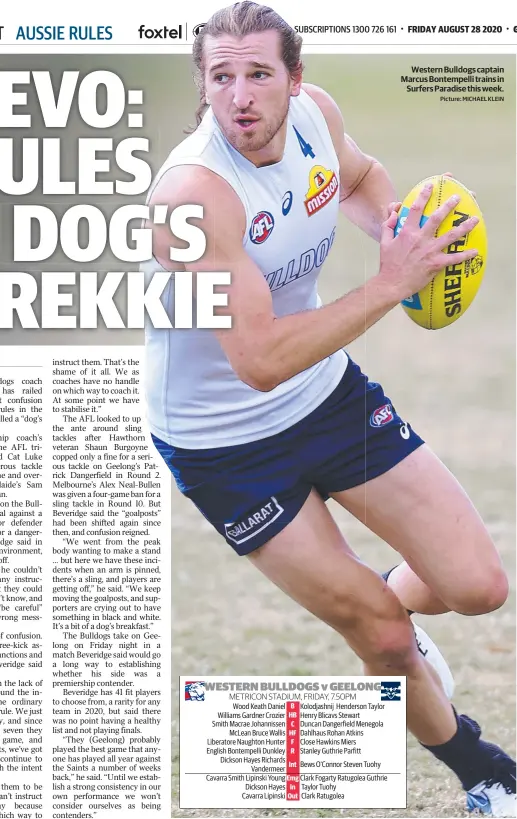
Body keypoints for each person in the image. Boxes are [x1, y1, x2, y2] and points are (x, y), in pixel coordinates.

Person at [142, 3, 515, 815]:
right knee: (381, 637)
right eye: (220, 77)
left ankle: (380, 587)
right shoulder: (194, 194)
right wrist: (388, 285)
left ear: (295, 81)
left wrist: (398, 236)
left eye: (258, 74)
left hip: (325, 395)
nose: (239, 95)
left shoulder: (317, 118)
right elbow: (258, 361)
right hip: (223, 443)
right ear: (202, 88)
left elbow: (359, 176)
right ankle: (483, 769)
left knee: (480, 586)